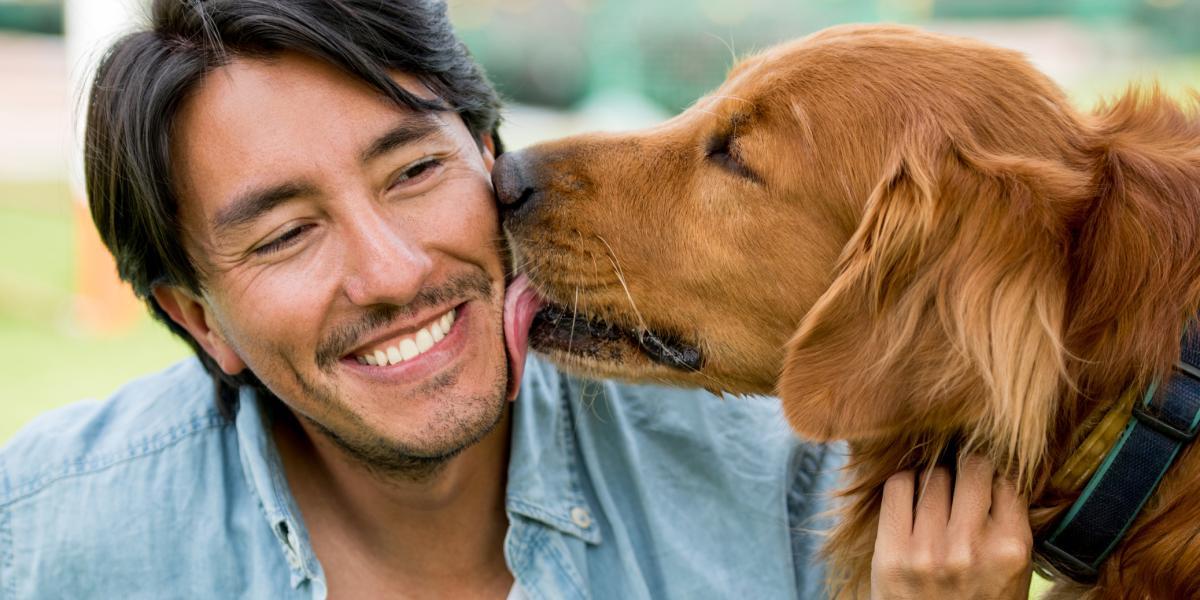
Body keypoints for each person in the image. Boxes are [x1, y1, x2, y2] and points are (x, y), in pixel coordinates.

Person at [0, 1, 1033, 598]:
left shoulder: (812, 496)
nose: (395, 272)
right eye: (285, 235)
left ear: (488, 154)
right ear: (196, 321)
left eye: (414, 172)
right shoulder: (48, 536)